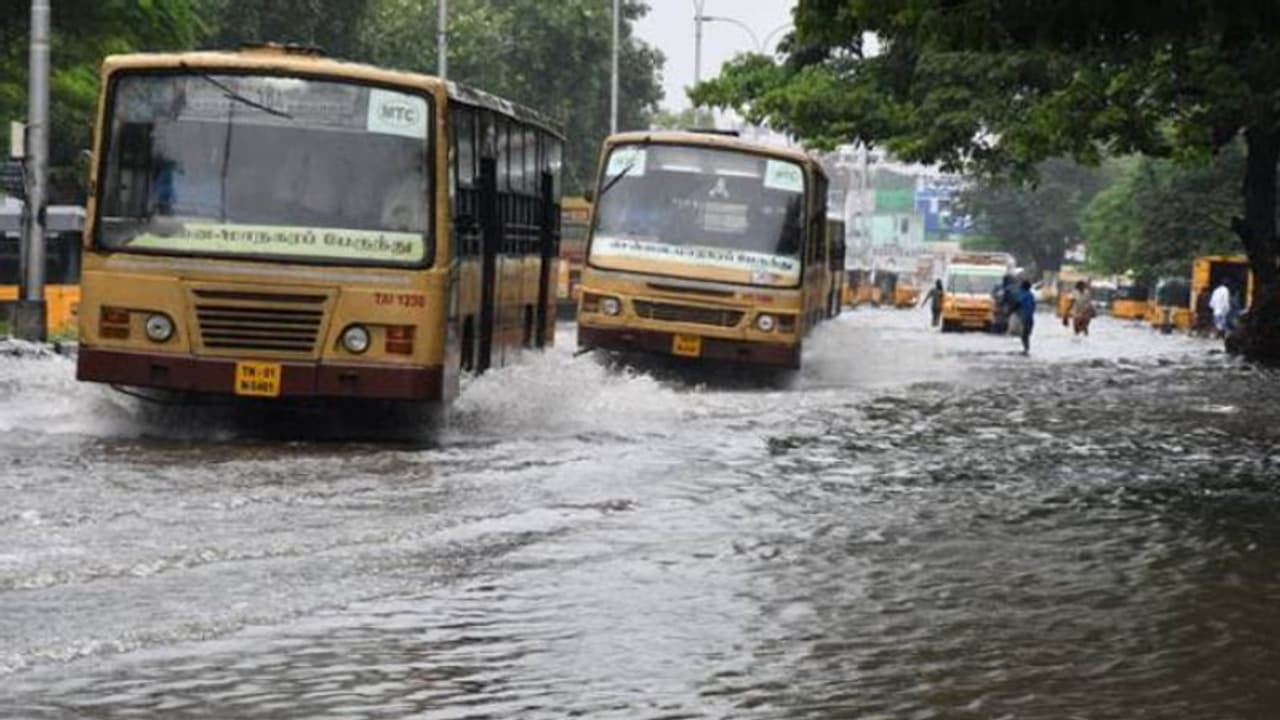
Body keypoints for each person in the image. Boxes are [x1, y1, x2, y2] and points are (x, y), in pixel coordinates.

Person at [1015, 279, 1036, 354]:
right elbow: (1033, 307)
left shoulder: (1023, 294)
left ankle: (1026, 349)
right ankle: (1026, 349)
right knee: (1026, 334)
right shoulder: (1030, 295)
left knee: (1024, 334)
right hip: (1030, 317)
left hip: (1025, 317)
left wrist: (1011, 311)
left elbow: (1017, 303)